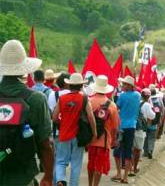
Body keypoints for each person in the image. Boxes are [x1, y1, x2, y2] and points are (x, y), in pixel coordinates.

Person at [0, 40, 54, 186]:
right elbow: (45, 144)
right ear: (25, 68)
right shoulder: (36, 99)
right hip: (23, 175)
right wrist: (48, 176)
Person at [52, 73, 97, 186]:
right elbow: (90, 117)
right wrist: (94, 133)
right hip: (78, 136)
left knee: (61, 161)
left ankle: (60, 180)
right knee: (76, 164)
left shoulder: (62, 98)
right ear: (81, 86)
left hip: (64, 135)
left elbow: (54, 117)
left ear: (69, 85)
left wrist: (62, 123)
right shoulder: (84, 99)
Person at [88, 75, 120, 186]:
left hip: (91, 138)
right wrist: (114, 139)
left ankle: (89, 184)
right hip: (104, 139)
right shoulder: (112, 105)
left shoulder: (89, 101)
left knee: (91, 163)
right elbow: (115, 126)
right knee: (99, 165)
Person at [112, 76, 141, 184]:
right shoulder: (138, 95)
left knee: (117, 151)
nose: (122, 86)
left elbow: (116, 108)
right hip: (132, 126)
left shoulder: (122, 96)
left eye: (124, 84)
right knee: (128, 151)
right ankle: (125, 177)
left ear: (129, 86)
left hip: (122, 126)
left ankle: (119, 173)